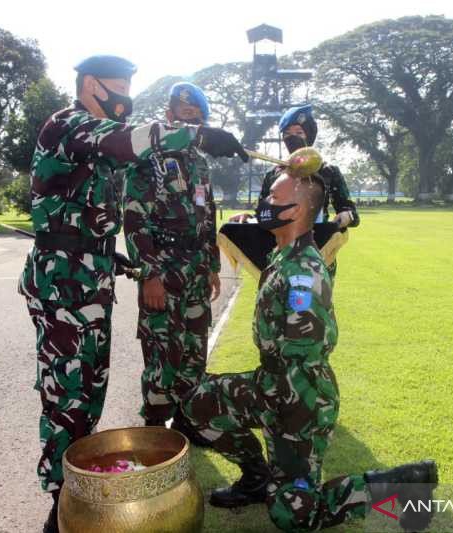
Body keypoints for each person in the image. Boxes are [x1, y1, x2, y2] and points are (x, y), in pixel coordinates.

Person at [16, 55, 248, 533]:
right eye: (115, 85)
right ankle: (59, 503)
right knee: (69, 394)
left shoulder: (98, 141)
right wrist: (200, 134)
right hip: (63, 281)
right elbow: (127, 145)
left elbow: (96, 215)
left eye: (127, 86)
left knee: (89, 389)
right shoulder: (71, 125)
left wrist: (114, 257)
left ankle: (77, 496)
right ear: (88, 85)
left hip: (90, 274)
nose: (123, 94)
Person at [184, 172, 437, 531]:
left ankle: (401, 485)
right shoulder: (283, 251)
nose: (265, 204)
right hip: (271, 383)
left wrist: (283, 423)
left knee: (293, 516)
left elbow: (304, 355)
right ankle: (257, 477)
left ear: (297, 209)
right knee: (199, 405)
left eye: (273, 198)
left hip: (299, 400)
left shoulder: (303, 271)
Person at [123, 82, 219, 444]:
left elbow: (208, 215)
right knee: (162, 350)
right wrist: (149, 275)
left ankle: (187, 422)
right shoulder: (151, 158)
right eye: (182, 114)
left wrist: (211, 264)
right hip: (162, 270)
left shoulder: (201, 163)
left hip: (195, 271)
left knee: (194, 351)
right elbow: (134, 219)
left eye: (195, 115)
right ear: (169, 117)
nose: (188, 120)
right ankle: (153, 429)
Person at [230, 104, 359, 280]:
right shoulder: (273, 174)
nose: (292, 138)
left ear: (309, 135)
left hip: (319, 250)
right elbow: (264, 213)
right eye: (287, 134)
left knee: (313, 303)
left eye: (299, 133)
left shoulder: (328, 171)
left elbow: (351, 212)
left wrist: (346, 216)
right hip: (278, 254)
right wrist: (248, 217)